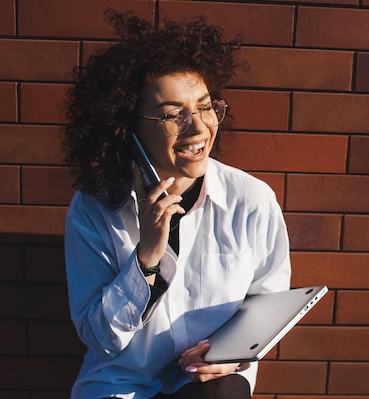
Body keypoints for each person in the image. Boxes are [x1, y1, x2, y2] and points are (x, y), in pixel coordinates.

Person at [62, 10, 291, 399]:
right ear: (127, 127)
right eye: (173, 115)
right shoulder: (95, 209)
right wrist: (147, 258)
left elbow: (268, 306)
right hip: (121, 384)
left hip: (207, 383)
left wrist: (232, 358)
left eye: (205, 107)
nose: (199, 127)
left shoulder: (251, 201)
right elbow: (102, 338)